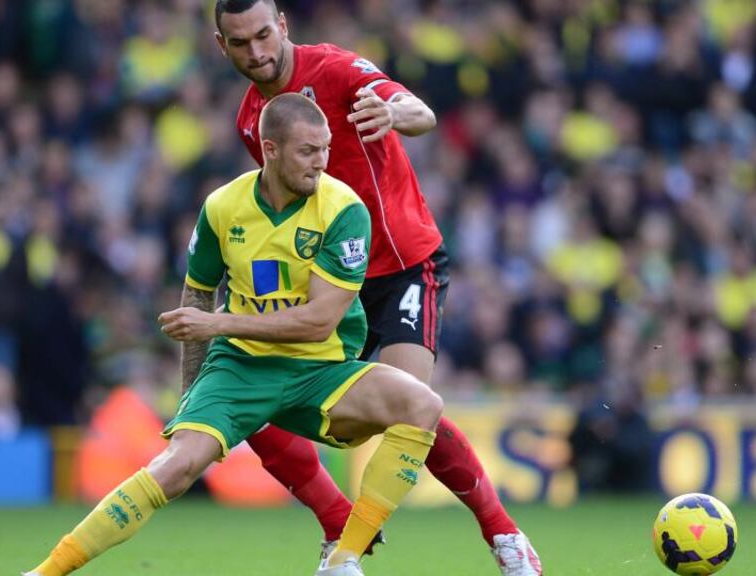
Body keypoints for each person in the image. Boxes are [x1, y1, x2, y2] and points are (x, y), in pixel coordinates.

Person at [24, 93, 443, 576]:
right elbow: (197, 296)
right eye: (309, 151)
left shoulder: (344, 209)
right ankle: (45, 573)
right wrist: (191, 395)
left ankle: (344, 556)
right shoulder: (222, 207)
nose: (322, 163)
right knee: (175, 468)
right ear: (270, 149)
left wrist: (220, 323)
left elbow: (317, 322)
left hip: (322, 368)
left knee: (423, 405)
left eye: (325, 149)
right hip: (241, 366)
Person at [214, 1, 541, 573]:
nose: (257, 53)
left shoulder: (336, 70)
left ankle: (504, 535)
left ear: (283, 25)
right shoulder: (251, 120)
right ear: (223, 45)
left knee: (407, 407)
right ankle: (339, 529)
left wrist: (395, 116)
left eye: (264, 35)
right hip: (331, 282)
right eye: (240, 43)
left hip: (401, 267)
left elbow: (418, 110)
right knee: (247, 402)